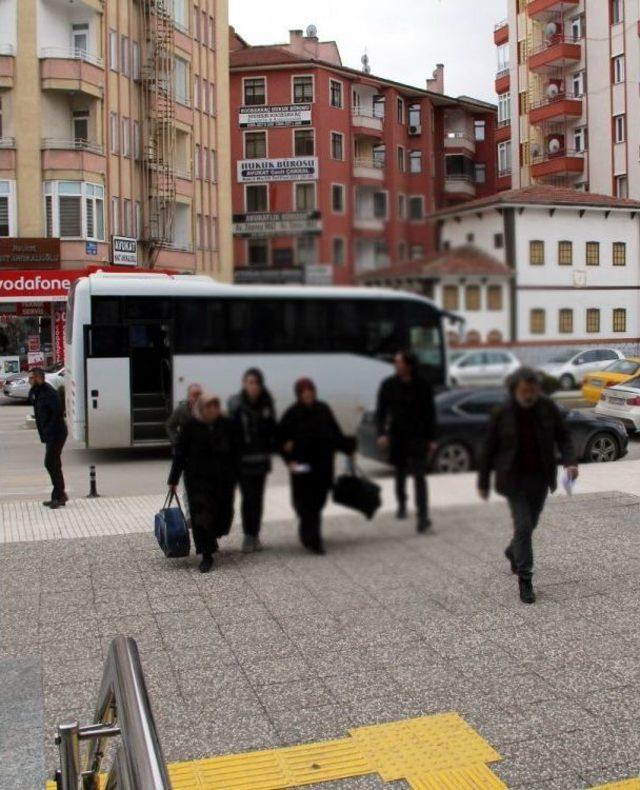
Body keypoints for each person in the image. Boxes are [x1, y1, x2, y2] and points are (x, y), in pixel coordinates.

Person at [478, 367, 579, 604]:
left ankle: (513, 551)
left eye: (533, 390)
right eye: (525, 390)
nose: (530, 394)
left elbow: (563, 435)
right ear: (516, 387)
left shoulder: (546, 407)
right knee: (523, 526)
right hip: (512, 479)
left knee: (530, 524)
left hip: (540, 477)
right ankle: (525, 580)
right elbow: (488, 449)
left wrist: (570, 462)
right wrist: (483, 482)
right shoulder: (502, 412)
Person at [278, 378, 355, 555]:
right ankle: (312, 537)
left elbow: (336, 433)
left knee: (318, 502)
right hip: (302, 467)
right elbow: (279, 439)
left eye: (310, 390)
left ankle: (311, 535)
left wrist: (347, 448)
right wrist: (289, 459)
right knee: (305, 502)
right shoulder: (292, 413)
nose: (308, 394)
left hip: (323, 466)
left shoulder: (323, 409)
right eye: (303, 392)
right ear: (298, 394)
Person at [168, 393, 239, 573]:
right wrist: (173, 479)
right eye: (208, 406)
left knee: (223, 515)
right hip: (197, 482)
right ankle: (206, 555)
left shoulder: (225, 425)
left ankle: (214, 536)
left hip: (221, 481)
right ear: (201, 408)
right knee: (201, 518)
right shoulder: (190, 427)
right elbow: (180, 455)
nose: (212, 410)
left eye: (215, 406)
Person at [375, 350, 437, 533]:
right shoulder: (388, 385)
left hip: (418, 437)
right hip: (398, 436)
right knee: (400, 472)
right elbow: (381, 412)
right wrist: (381, 433)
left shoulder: (423, 385)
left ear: (409, 365)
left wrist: (432, 438)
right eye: (395, 362)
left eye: (399, 362)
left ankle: (423, 517)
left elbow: (430, 413)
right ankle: (402, 503)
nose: (396, 365)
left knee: (420, 476)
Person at [228, 368, 277, 553]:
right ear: (244, 384)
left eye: (256, 382)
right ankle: (248, 536)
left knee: (258, 499)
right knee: (248, 499)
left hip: (261, 461)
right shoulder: (237, 405)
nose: (253, 386)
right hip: (243, 462)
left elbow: (272, 429)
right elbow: (231, 434)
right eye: (250, 382)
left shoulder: (266, 404)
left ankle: (255, 534)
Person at [29, 368, 68, 509]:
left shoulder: (50, 393)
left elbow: (57, 414)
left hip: (56, 433)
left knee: (50, 463)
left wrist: (49, 432)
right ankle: (59, 496)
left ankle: (60, 495)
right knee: (54, 464)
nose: (29, 380)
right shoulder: (36, 392)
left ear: (39, 378)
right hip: (48, 434)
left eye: (31, 378)